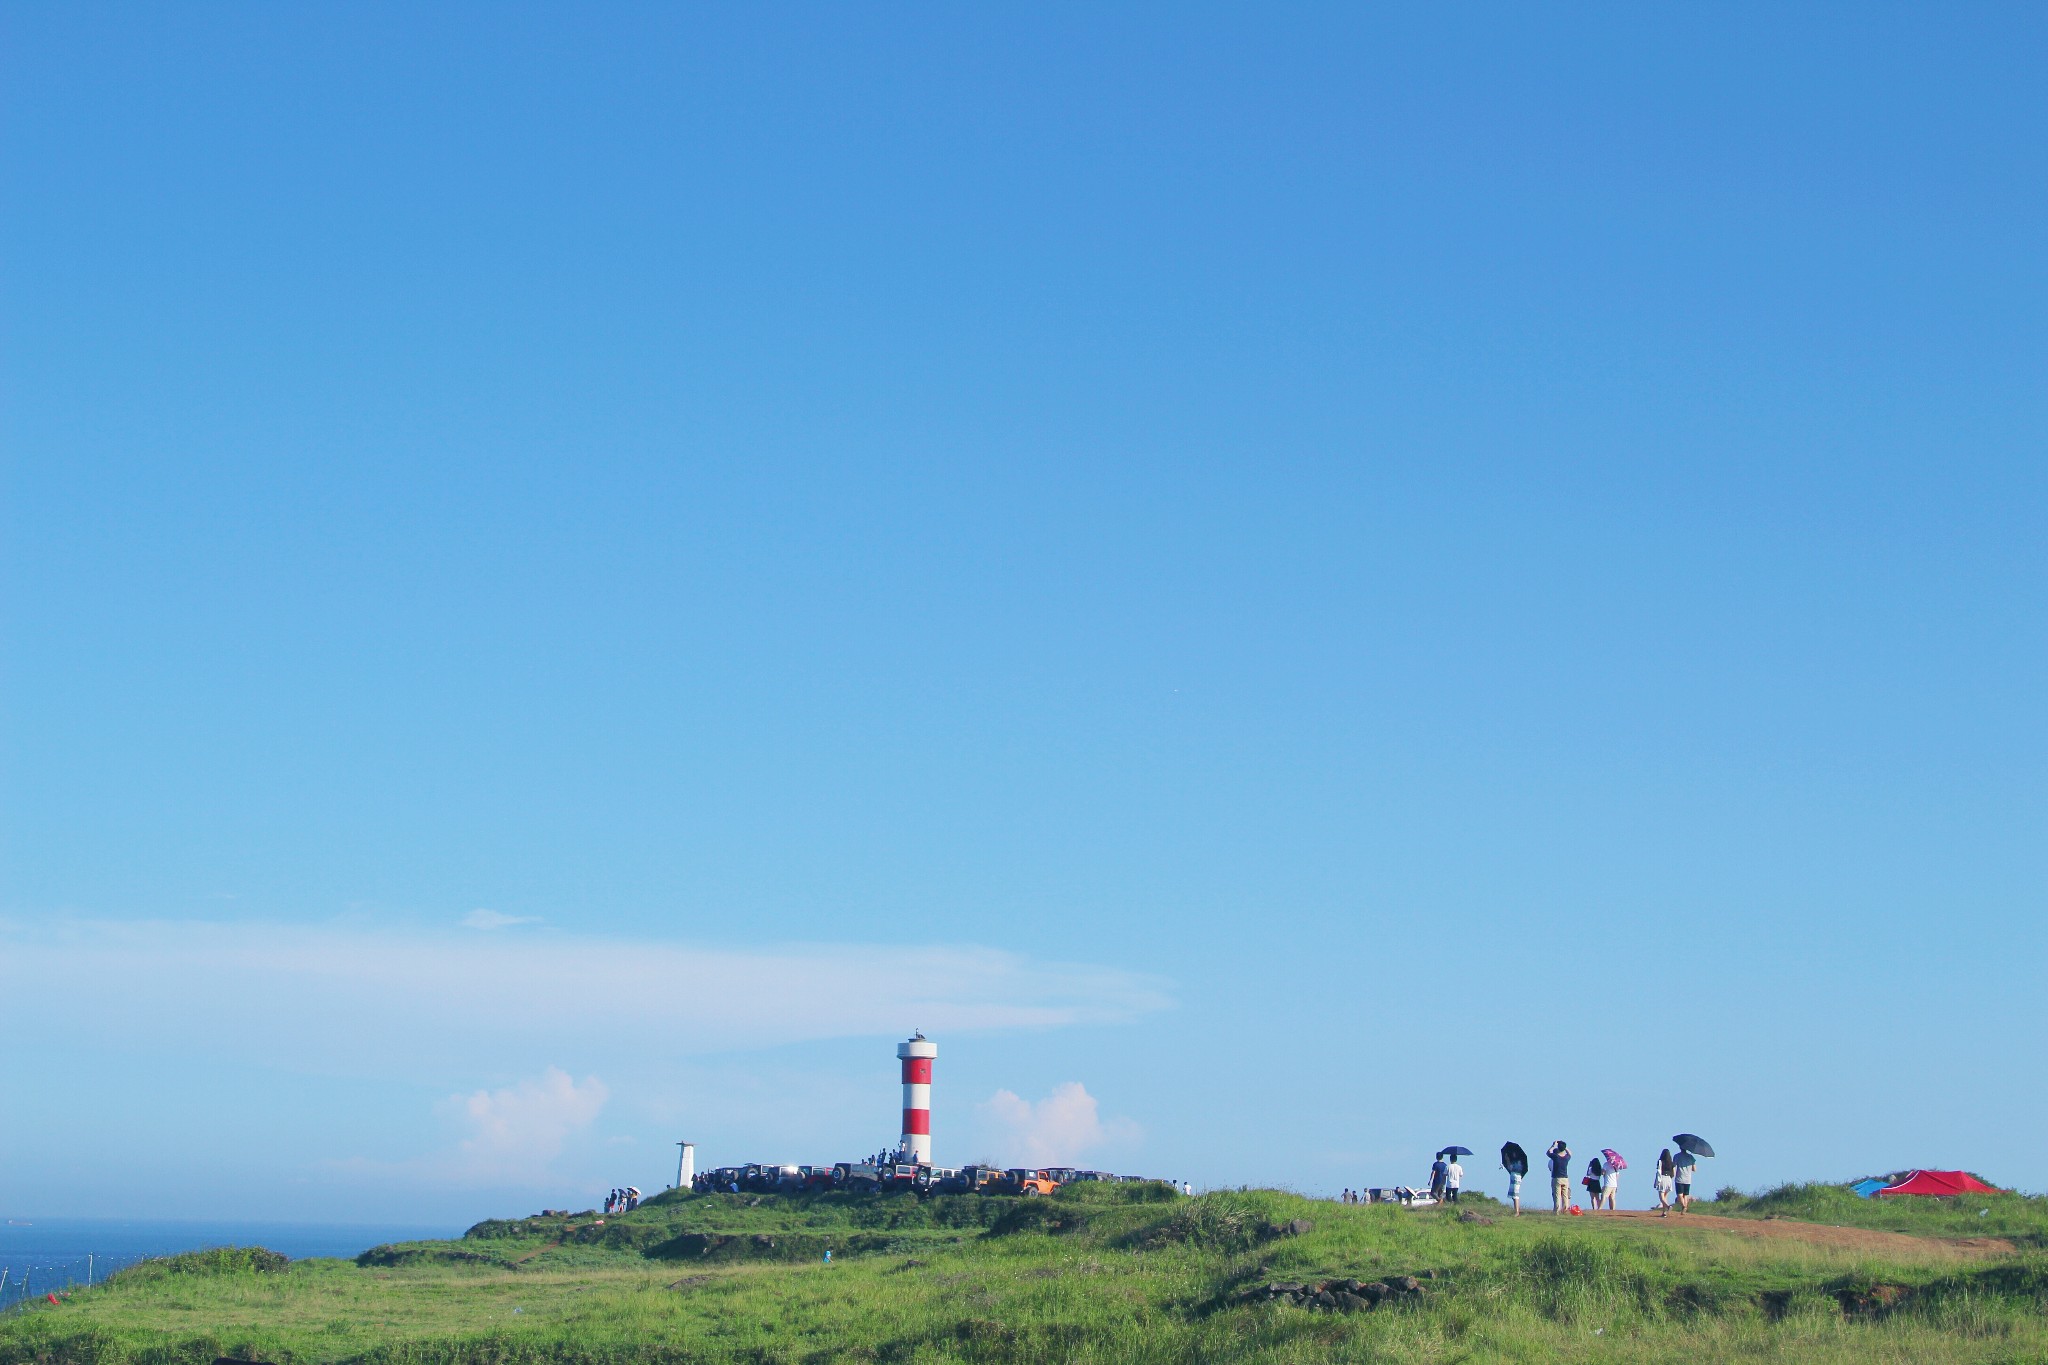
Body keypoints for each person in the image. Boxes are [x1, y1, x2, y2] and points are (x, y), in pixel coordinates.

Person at [1547, 1141, 1572, 1214]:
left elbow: (1548, 1152)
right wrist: (1565, 1147)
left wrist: (1553, 1145)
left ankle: (1556, 1211)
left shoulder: (1555, 1157)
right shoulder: (1566, 1158)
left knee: (1557, 1195)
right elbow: (1570, 1153)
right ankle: (1565, 1210)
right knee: (1565, 1195)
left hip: (1557, 1178)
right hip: (1565, 1178)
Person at [1674, 1148, 1698, 1213]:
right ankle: (1685, 1208)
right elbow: (1694, 1169)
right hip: (1688, 1179)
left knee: (1679, 1194)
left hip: (1679, 1178)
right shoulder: (1691, 1157)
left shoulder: (1677, 1156)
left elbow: (1674, 1166)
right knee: (1686, 1195)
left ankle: (1683, 1206)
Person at [1654, 1149, 1676, 1215]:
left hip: (1662, 1178)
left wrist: (1656, 1181)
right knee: (1665, 1197)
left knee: (1661, 1197)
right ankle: (1664, 1212)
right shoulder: (1672, 1163)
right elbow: (1674, 1173)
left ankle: (1668, 1206)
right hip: (1669, 1179)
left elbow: (1658, 1172)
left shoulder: (1660, 1162)